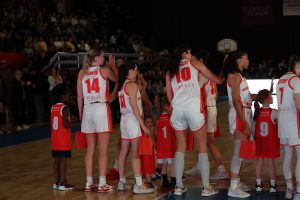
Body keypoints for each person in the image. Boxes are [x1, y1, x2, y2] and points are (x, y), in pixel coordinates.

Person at [165, 45, 222, 196]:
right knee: (202, 146)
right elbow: (213, 77)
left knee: (180, 147)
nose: (191, 54)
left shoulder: (170, 70)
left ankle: (178, 185)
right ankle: (206, 187)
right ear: (184, 53)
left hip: (177, 110)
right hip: (194, 109)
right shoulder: (194, 62)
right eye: (189, 51)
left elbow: (169, 97)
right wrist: (222, 78)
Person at [77, 48, 118, 192]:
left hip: (88, 109)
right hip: (101, 108)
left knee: (90, 149)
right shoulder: (104, 70)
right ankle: (102, 183)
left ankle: (89, 183)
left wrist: (81, 115)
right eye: (102, 57)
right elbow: (117, 79)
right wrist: (113, 66)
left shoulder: (82, 73)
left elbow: (79, 97)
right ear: (97, 59)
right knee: (103, 149)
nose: (104, 59)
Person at [185, 51, 229, 180]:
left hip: (206, 109)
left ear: (200, 61)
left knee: (209, 141)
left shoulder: (201, 75)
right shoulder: (209, 74)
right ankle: (200, 165)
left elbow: (193, 92)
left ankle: (222, 169)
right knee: (201, 141)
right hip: (210, 108)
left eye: (194, 60)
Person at [117, 63, 155, 194]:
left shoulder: (123, 86)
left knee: (123, 152)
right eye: (136, 70)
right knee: (135, 153)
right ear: (130, 71)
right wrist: (144, 126)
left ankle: (121, 182)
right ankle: (139, 184)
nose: (137, 73)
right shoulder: (131, 86)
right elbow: (134, 107)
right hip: (133, 120)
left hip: (124, 119)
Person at [223, 51, 257, 198]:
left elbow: (245, 98)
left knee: (242, 152)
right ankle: (233, 187)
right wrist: (244, 122)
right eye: (246, 58)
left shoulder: (239, 76)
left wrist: (261, 95)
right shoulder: (235, 76)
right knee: (238, 152)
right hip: (240, 115)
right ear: (238, 60)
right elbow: (236, 101)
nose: (248, 60)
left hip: (244, 112)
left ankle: (236, 182)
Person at [276, 55, 300, 200]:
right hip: (294, 124)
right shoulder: (296, 81)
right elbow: (299, 105)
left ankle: (289, 190)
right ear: (297, 65)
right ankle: (299, 192)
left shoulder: (281, 80)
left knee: (288, 156)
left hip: (283, 124)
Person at [253, 81, 280, 193]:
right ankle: (272, 186)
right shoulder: (274, 112)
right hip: (271, 142)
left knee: (259, 163)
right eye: (271, 95)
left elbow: (253, 129)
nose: (272, 97)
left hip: (260, 142)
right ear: (267, 98)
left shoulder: (257, 112)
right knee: (271, 164)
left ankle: (258, 185)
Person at [51, 84, 75, 191]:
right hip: (63, 139)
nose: (68, 97)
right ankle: (63, 182)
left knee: (56, 160)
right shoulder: (65, 108)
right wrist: (78, 125)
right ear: (62, 96)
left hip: (55, 139)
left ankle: (56, 182)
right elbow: (66, 124)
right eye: (66, 95)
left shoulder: (53, 107)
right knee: (63, 160)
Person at [155, 97, 176, 191]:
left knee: (164, 165)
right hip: (170, 145)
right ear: (167, 106)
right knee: (172, 164)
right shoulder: (171, 118)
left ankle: (164, 183)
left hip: (161, 147)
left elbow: (155, 133)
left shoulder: (158, 120)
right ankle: (174, 182)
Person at [141, 115, 156, 189]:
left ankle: (147, 182)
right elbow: (153, 142)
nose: (150, 124)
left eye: (151, 122)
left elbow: (153, 141)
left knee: (147, 167)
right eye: (147, 122)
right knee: (147, 167)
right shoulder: (145, 130)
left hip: (149, 152)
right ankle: (148, 182)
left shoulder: (151, 129)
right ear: (144, 123)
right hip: (146, 152)